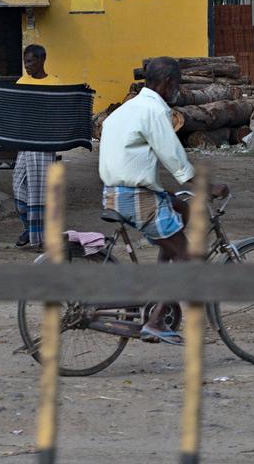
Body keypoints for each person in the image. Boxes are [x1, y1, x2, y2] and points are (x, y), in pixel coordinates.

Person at [98, 56, 227, 345]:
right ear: (168, 83)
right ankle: (156, 322)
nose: (178, 90)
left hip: (113, 193)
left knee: (180, 208)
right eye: (177, 84)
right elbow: (174, 158)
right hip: (136, 197)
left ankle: (161, 295)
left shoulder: (124, 109)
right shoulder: (155, 110)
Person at [13, 44, 61, 248]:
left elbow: (61, 111)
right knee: (18, 185)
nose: (27, 66)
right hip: (26, 141)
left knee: (39, 190)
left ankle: (39, 236)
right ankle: (29, 228)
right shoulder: (21, 82)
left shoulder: (56, 84)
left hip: (44, 143)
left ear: (42, 60)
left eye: (30, 61)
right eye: (25, 62)